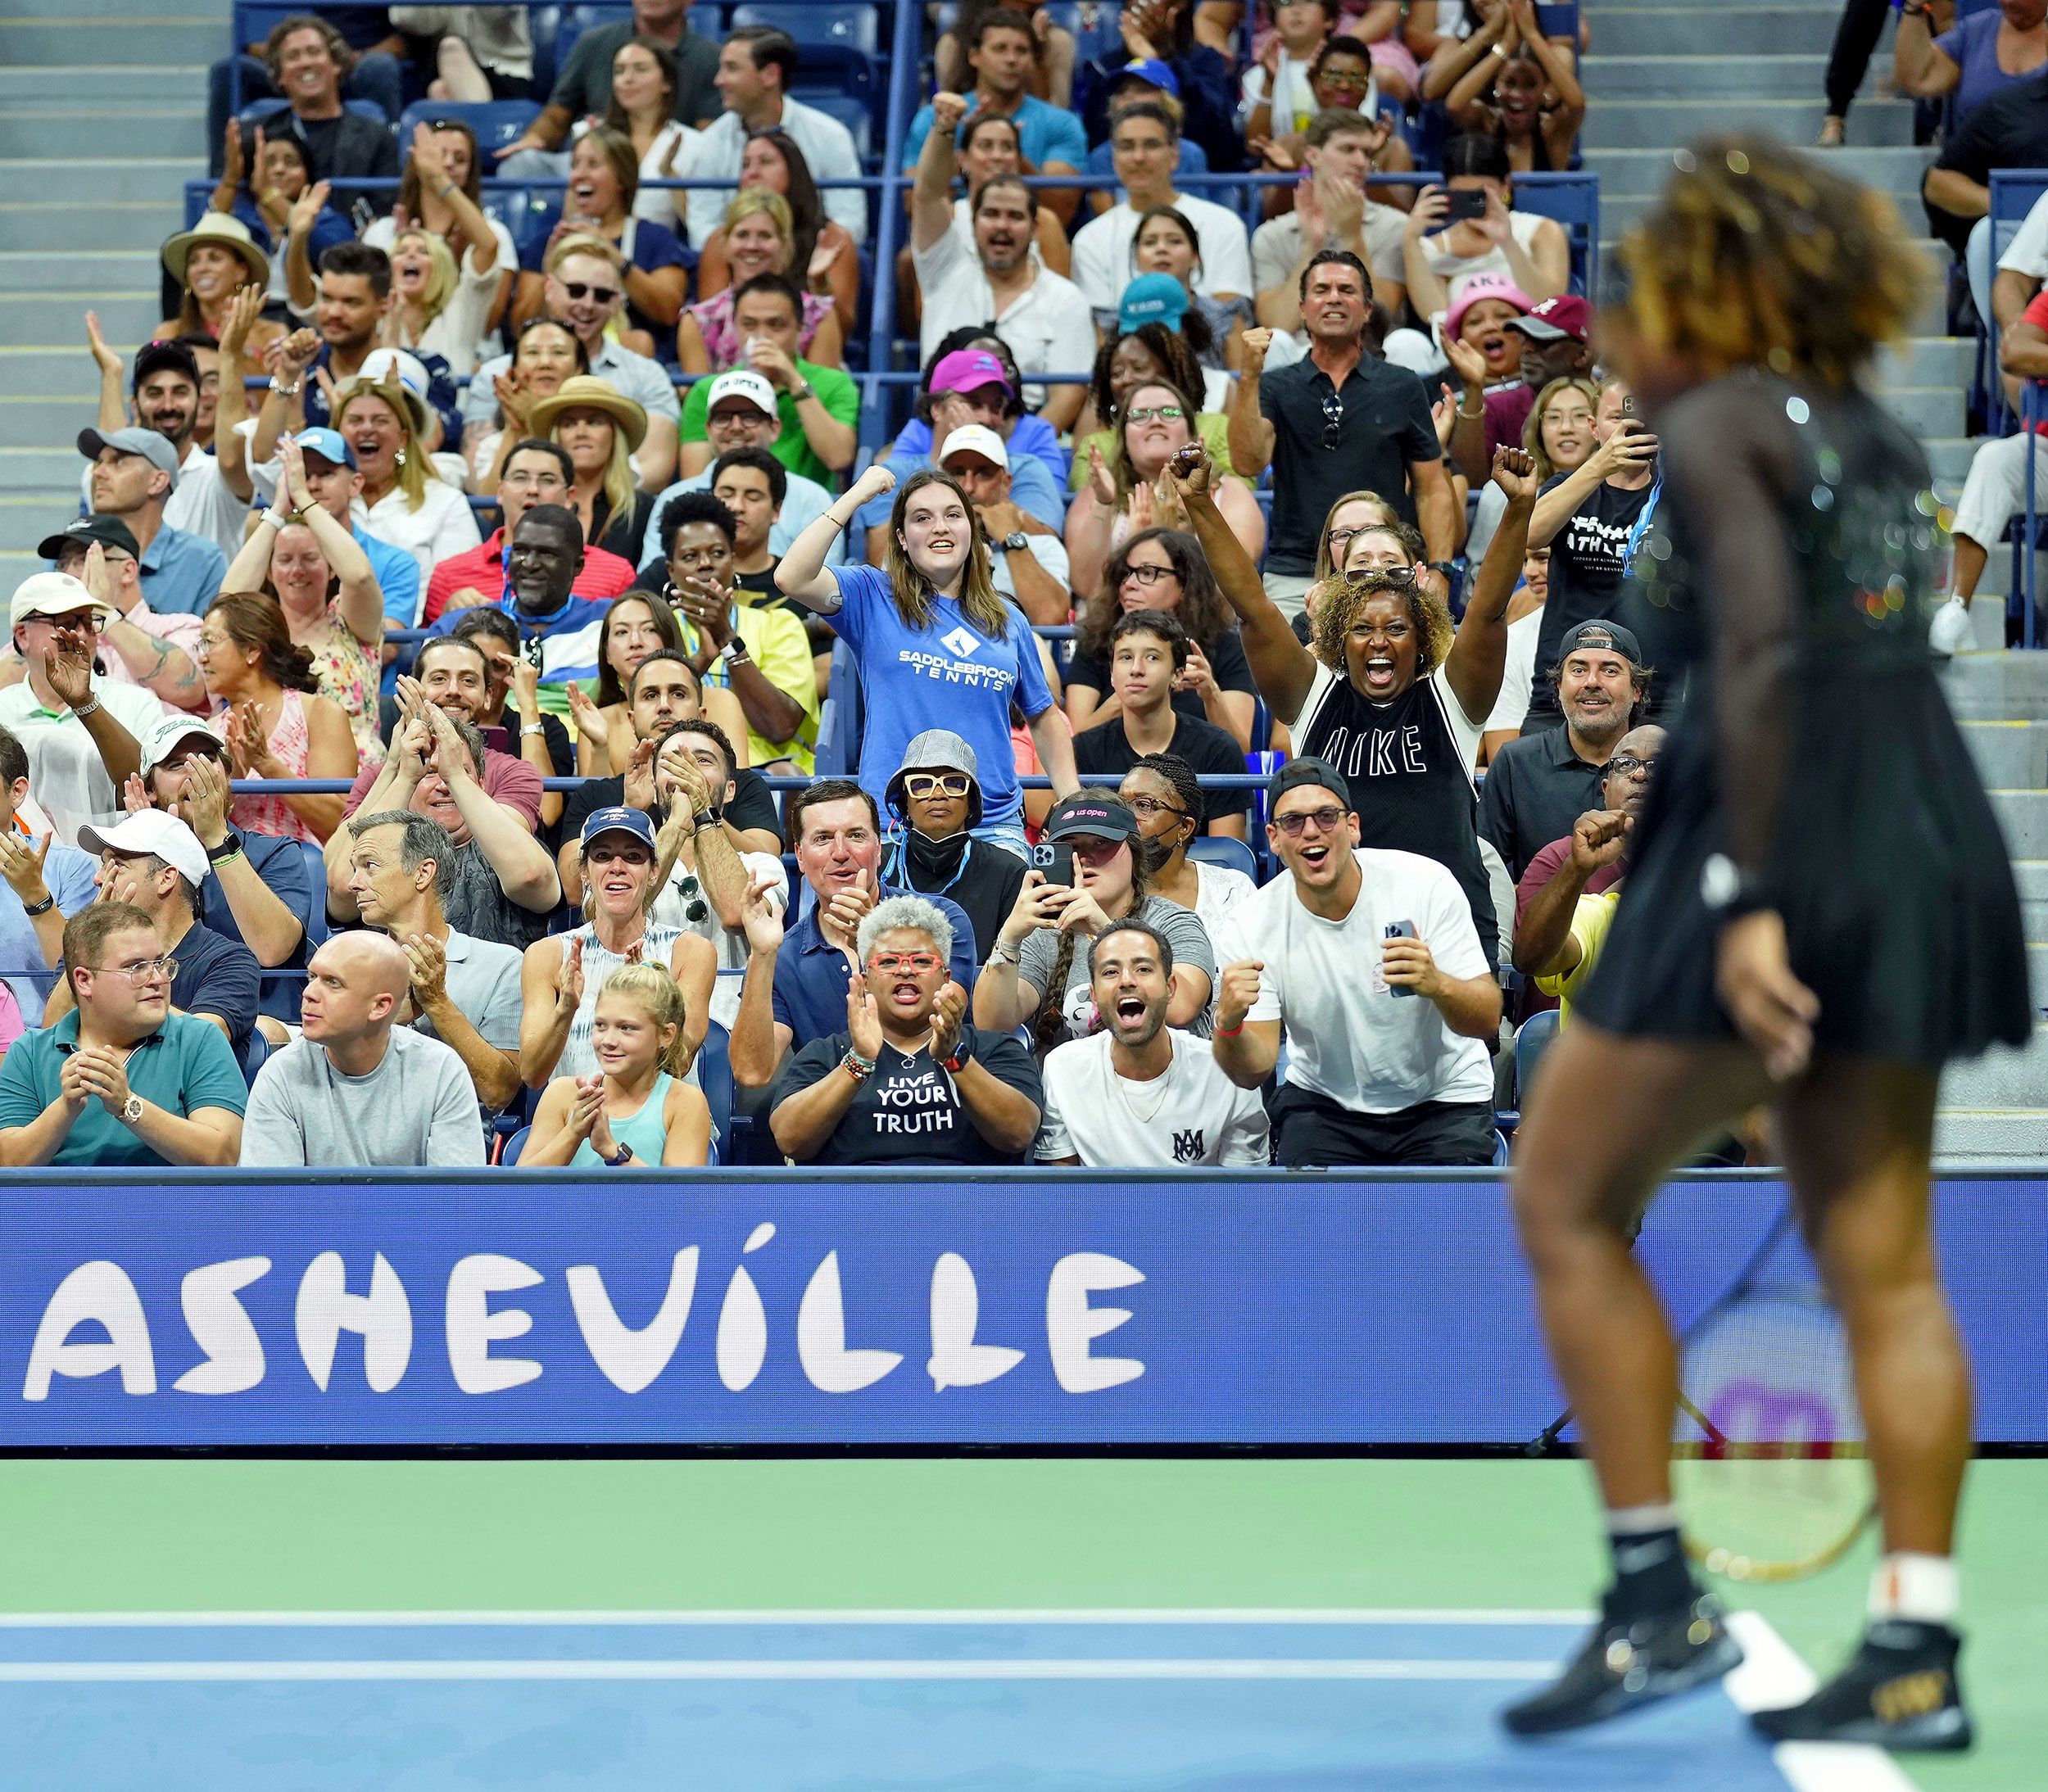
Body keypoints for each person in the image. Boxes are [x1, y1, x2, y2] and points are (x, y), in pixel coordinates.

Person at [1502, 136, 2031, 1750]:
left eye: (1640, 287)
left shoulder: (1720, 423)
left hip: (1771, 816)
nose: (1612, 322)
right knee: (1884, 1262)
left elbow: (1746, 644)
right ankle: (1917, 1645)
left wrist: (1741, 898)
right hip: (1920, 825)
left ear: (1707, 300)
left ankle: (1654, 1594)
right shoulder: (1869, 435)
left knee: (1563, 1195)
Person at [1182, 441, 1538, 953]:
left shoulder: (1452, 697)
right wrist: (1199, 505)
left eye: (1395, 628)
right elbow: (1254, 610)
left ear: (1421, 638)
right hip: (1337, 930)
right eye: (1360, 629)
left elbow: (1487, 612)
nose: (1377, 642)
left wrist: (1520, 507)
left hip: (1446, 929)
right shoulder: (1312, 697)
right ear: (1335, 639)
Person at [777, 466, 1081, 858]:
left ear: (971, 531)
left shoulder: (1008, 620)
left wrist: (1071, 797)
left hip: (993, 826)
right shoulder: (872, 596)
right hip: (895, 827)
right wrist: (856, 496)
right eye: (922, 518)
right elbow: (792, 577)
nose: (940, 527)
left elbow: (1043, 715)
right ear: (901, 538)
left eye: (953, 515)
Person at [1211, 758, 1499, 1165]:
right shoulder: (1250, 924)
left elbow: (1486, 1019)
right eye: (1293, 821)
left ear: (1353, 827)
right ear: (1273, 839)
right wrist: (1228, 1025)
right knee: (1312, 1227)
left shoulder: (1425, 884)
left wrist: (1439, 984)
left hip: (1443, 1099)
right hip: (1325, 1104)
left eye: (1326, 816)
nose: (1311, 830)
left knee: (1442, 1228)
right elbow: (1252, 1069)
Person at [1230, 255, 1457, 613]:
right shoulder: (1274, 385)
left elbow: (1431, 489)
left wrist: (1440, 570)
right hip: (1294, 575)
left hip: (1386, 571)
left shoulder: (1402, 385)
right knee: (1288, 670)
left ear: (1367, 310)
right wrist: (1248, 378)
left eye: (1346, 290)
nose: (1334, 297)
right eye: (1322, 290)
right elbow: (1246, 461)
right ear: (1303, 309)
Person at [728, 780, 978, 1087]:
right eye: (822, 839)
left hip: (935, 1102)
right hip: (837, 1118)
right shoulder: (783, 957)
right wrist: (762, 956)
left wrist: (872, 939)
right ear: (800, 857)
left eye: (856, 836)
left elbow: (946, 1017)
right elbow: (752, 1072)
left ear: (878, 851)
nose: (840, 853)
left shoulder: (940, 919)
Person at [768, 895, 1044, 1165]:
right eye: (888, 962)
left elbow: (1019, 1133)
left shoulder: (992, 1048)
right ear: (865, 982)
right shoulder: (827, 1054)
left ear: (945, 978)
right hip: (855, 1205)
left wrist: (955, 1058)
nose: (905, 971)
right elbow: (791, 1140)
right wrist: (857, 1062)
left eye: (922, 962)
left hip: (968, 1204)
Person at [0, 901, 245, 1168]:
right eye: (136, 967)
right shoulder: (29, 1052)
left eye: (161, 963)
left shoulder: (199, 1039)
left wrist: (127, 1105)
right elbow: (9, 1165)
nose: (157, 978)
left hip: (170, 1207)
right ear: (84, 981)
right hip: (61, 1208)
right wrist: (65, 1108)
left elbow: (222, 1156)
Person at [911, 91, 1098, 429]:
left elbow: (1069, 395)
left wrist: (1015, 447)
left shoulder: (1065, 298)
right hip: (935, 432)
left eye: (1014, 216)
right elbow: (928, 193)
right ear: (971, 220)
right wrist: (944, 129)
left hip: (1024, 435)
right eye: (991, 214)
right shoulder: (943, 269)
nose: (1001, 225)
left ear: (1035, 227)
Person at [975, 791, 1216, 1051]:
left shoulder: (1173, 922)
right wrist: (1009, 938)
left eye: (1103, 843)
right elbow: (992, 1024)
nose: (1086, 857)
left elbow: (1181, 1010)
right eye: (1071, 846)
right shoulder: (1045, 932)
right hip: (1072, 1088)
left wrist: (1106, 931)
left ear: (1134, 851)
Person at [328, 702, 560, 952]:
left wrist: (456, 778)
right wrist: (403, 775)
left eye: (459, 770)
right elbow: (343, 886)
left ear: (481, 784)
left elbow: (531, 876)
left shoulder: (508, 850)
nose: (443, 785)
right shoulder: (384, 854)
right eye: (430, 773)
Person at [1036, 917, 1269, 1167]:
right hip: (1099, 1207)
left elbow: (1245, 1196)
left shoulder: (1225, 1072)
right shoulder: (1063, 1069)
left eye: (1143, 969)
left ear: (1170, 988)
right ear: (1093, 995)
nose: (1126, 980)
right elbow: (1062, 1192)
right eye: (1110, 972)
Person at [336, 808, 524, 1114]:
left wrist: (437, 1003)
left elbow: (498, 1091)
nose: (354, 884)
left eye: (369, 866)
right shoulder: (348, 962)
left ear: (423, 873)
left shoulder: (501, 966)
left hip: (454, 1140)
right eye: (354, 869)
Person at [519, 804, 714, 1088]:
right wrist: (565, 1010)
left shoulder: (691, 952)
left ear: (653, 873)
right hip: (577, 1120)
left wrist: (646, 1000)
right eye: (603, 856)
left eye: (633, 857)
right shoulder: (546, 956)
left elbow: (679, 1063)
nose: (617, 868)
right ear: (585, 872)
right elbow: (532, 1074)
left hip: (664, 1122)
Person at [460, 245, 682, 493]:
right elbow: (482, 493)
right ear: (550, 289)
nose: (588, 304)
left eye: (602, 295)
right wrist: (517, 428)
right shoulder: (495, 374)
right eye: (576, 291)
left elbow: (654, 470)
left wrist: (535, 419)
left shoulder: (648, 374)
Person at [129, 716, 314, 1002]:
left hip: (263, 1026)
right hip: (161, 1025)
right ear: (150, 790)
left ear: (226, 777)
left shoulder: (276, 852)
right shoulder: (131, 858)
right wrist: (146, 853)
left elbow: (273, 948)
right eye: (177, 765)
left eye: (208, 758)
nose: (196, 771)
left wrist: (217, 838)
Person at [54, 810, 261, 1059]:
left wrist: (119, 991)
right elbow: (51, 1031)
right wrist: (89, 945)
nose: (99, 879)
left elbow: (203, 1039)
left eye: (117, 865)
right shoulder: (86, 949)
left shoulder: (230, 961)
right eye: (102, 865)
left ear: (166, 879)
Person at [1520, 378, 1663, 731]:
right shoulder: (1566, 487)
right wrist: (1600, 465)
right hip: (1563, 686)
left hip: (1652, 693)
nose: (1630, 427)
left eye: (1645, 416)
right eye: (1617, 417)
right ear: (1594, 427)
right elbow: (1531, 533)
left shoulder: (1676, 496)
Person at [646, 490, 819, 772]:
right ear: (671, 570)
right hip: (673, 761)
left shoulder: (779, 625)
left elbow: (780, 726)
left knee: (783, 775)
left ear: (733, 561)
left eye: (717, 553)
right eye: (690, 556)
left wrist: (727, 639)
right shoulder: (654, 631)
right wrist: (702, 659)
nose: (705, 564)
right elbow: (649, 719)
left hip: (764, 764)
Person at [556, 653, 784, 866]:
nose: (664, 705)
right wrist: (628, 813)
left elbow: (767, 864)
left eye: (678, 693)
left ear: (701, 714)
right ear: (632, 719)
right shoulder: (596, 794)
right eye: (651, 695)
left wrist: (705, 812)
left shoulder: (742, 784)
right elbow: (573, 887)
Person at [641, 717, 788, 1029]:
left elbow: (739, 914)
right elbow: (622, 913)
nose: (688, 771)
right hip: (643, 1027)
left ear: (730, 789)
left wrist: (703, 814)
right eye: (673, 762)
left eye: (702, 761)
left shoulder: (761, 864)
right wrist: (677, 827)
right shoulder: (621, 863)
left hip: (736, 1032)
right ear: (655, 790)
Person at [1480, 619, 1652, 883]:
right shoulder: (1516, 763)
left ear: (1637, 689)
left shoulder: (1670, 765)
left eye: (1610, 671)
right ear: (1559, 686)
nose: (1592, 682)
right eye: (1579, 670)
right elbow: (1484, 872)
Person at [1067, 378, 1266, 603]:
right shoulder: (1099, 492)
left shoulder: (1228, 491)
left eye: (1169, 412)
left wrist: (1181, 533)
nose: (1155, 421)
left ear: (1192, 433)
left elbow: (1237, 579)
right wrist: (1106, 507)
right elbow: (1085, 584)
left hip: (1207, 626)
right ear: (1124, 438)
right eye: (1140, 415)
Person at [1065, 527, 1260, 751]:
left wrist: (1210, 695)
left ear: (1186, 585)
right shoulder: (1095, 642)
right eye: (1125, 573)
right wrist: (1132, 694)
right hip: (1112, 778)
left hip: (1198, 776)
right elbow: (1074, 744)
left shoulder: (1226, 646)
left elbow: (1239, 750)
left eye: (1147, 573)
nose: (1129, 584)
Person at [1511, 724, 1665, 1007]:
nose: (1641, 774)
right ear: (1605, 790)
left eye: (1659, 766)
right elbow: (1530, 960)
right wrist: (1577, 869)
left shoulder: (1715, 885)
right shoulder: (1567, 867)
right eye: (1626, 764)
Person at [863, 345, 1072, 550]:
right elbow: (884, 556)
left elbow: (1046, 551)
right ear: (937, 408)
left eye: (996, 406)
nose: (987, 418)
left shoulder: (1027, 470)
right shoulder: (897, 475)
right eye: (974, 404)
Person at [1, 571, 160, 837]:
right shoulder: (3, 708)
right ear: (22, 635)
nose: (84, 635)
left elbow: (148, 788)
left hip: (117, 865)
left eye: (90, 622)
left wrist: (85, 703)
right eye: (67, 624)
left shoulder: (138, 703)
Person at [638, 371, 844, 575]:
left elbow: (823, 582)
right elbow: (654, 580)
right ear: (709, 429)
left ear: (774, 428)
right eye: (723, 418)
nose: (735, 427)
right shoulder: (674, 498)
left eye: (749, 417)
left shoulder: (812, 498)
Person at [684, 25, 868, 248]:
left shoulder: (830, 135)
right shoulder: (710, 143)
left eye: (731, 69)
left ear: (770, 75)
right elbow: (703, 231)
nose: (719, 80)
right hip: (738, 262)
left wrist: (792, 255)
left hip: (811, 260)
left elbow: (850, 225)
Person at [197, 594, 358, 846]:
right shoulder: (206, 732)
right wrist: (228, 788)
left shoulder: (318, 714)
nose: (202, 657)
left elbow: (340, 823)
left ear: (252, 650)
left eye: (210, 642)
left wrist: (267, 765)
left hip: (309, 872)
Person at [903, 9, 1089, 229]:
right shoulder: (936, 120)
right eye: (1000, 49)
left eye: (1021, 51)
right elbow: (915, 205)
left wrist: (1012, 154)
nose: (1011, 59)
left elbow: (1062, 212)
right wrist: (965, 144)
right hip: (952, 233)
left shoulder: (1063, 123)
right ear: (975, 56)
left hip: (1032, 236)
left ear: (1031, 60)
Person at [508, 128, 691, 348]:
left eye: (593, 165)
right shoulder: (547, 241)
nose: (579, 175)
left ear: (622, 179)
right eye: (575, 165)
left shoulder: (655, 238)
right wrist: (549, 269)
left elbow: (668, 311)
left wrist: (611, 254)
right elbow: (521, 327)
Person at [493, 0, 721, 175]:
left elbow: (708, 142)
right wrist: (535, 137)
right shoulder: (592, 43)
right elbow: (557, 113)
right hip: (590, 160)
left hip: (663, 165)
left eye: (640, 69)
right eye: (620, 70)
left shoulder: (709, 58)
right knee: (522, 165)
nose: (628, 79)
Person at [1072, 612, 1250, 836]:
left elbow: (1226, 858)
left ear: (1177, 675)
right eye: (1125, 657)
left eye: (1152, 657)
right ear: (1111, 674)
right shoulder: (1084, 749)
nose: (1136, 669)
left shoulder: (1218, 749)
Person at [428, 437, 638, 625]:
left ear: (569, 497)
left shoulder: (616, 573)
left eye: (547, 480)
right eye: (520, 478)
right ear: (500, 491)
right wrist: (450, 617)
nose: (532, 490)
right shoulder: (449, 575)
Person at [525, 962, 714, 1167]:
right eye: (601, 1025)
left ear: (666, 1035)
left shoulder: (685, 1102)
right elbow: (515, 1194)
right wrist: (573, 1133)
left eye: (626, 1028)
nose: (608, 1041)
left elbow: (680, 1198)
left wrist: (611, 1150)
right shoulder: (562, 1094)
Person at [1072, 102, 1253, 315]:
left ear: (1174, 155)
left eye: (1151, 145)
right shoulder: (1090, 239)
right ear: (1114, 159)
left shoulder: (1223, 224)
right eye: (1127, 146)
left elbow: (1230, 317)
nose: (1139, 157)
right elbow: (1101, 330)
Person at [428, 505, 614, 713]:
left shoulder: (610, 623)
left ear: (578, 565)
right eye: (521, 550)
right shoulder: (457, 627)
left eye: (547, 553)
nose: (530, 563)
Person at [676, 274, 858, 486]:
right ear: (734, 327)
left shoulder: (834, 383)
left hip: (807, 511)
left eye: (776, 325)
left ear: (800, 328)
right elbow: (694, 480)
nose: (762, 336)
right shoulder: (707, 390)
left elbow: (839, 457)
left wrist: (792, 379)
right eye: (749, 325)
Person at [351, 640, 550, 830]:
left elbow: (513, 844)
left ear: (488, 698)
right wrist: (396, 769)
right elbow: (342, 861)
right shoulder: (376, 776)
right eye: (439, 679)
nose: (453, 690)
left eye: (468, 681)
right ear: (415, 689)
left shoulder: (513, 772)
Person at [83, 333, 248, 559]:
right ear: (135, 405)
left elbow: (232, 460)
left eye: (180, 392)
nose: (168, 405)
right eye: (155, 393)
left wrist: (231, 356)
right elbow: (115, 451)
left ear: (199, 401)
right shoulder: (107, 476)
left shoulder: (216, 477)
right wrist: (112, 373)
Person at [361, 116, 517, 353]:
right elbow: (367, 309)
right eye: (438, 155)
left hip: (469, 355)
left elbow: (487, 323)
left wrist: (450, 265)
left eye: (460, 159)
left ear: (471, 170)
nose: (447, 163)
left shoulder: (491, 233)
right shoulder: (382, 233)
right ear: (416, 162)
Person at [1252, 108, 1411, 330]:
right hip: (1300, 353)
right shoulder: (1271, 235)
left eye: (1366, 153)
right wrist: (1310, 246)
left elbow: (1383, 314)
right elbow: (1277, 328)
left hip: (1373, 351)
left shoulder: (1395, 225)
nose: (1361, 162)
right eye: (1348, 149)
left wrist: (1353, 238)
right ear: (1313, 155)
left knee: (1410, 344)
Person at [695, 130, 861, 342]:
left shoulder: (831, 238)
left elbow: (842, 330)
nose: (752, 173)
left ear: (794, 171)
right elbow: (709, 329)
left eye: (765, 162)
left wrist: (819, 284)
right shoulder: (721, 239)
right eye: (745, 165)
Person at [879, 730, 1031, 962]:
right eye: (921, 784)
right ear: (904, 802)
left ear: (971, 801)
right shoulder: (876, 865)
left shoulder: (1009, 872)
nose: (938, 794)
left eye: (954, 783)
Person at [32, 517, 206, 714]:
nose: (68, 573)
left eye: (84, 560)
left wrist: (103, 611)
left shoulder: (181, 628)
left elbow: (187, 689)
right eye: (62, 564)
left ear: (128, 571)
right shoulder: (50, 632)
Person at [207, 11, 405, 179]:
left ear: (336, 64)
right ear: (280, 75)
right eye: (293, 56)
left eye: (314, 52)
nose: (305, 63)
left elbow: (386, 212)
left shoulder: (378, 139)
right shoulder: (250, 138)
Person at [329, 369, 482, 584]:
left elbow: (461, 585)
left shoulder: (445, 502)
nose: (366, 428)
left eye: (380, 421)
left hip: (423, 618)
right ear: (337, 437)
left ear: (403, 439)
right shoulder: (317, 500)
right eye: (355, 421)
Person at [1401, 133, 1570, 324]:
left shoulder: (1543, 231)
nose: (1474, 205)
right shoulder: (1434, 249)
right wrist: (1411, 241)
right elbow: (1436, 318)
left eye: (1481, 195)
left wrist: (1507, 242)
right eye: (1462, 195)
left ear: (1505, 186)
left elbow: (1550, 307)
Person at [71, 426, 228, 620]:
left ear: (158, 481)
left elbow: (207, 648)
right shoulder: (69, 551)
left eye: (118, 462)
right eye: (99, 462)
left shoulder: (203, 561)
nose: (98, 473)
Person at [680, 190, 844, 374]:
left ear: (784, 246)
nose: (752, 246)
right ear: (725, 246)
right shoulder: (698, 321)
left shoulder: (819, 315)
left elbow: (824, 396)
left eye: (765, 236)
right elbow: (698, 399)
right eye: (742, 235)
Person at [0, 723, 98, 1024]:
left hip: (39, 1050)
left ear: (17, 791)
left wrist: (35, 896)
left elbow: (78, 977)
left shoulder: (70, 868)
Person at [1446, 292, 1595, 484]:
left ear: (1583, 355)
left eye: (1543, 341)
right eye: (1524, 339)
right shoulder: (1498, 407)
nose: (1527, 349)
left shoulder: (1614, 404)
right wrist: (1474, 388)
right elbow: (1470, 488)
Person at [937, 427, 1075, 627]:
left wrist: (1010, 539)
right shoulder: (916, 544)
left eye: (983, 473)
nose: (968, 487)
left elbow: (1050, 617)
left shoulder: (1043, 546)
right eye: (957, 473)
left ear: (1006, 483)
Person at [1463, 365, 1597, 568]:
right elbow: (1476, 578)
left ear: (1598, 426)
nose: (1566, 429)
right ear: (1539, 430)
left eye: (1580, 416)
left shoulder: (1624, 494)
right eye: (1553, 417)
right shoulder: (1501, 495)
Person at [1118, 749, 1255, 937]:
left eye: (1143, 805)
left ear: (1184, 826)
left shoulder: (1233, 890)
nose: (1127, 817)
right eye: (1120, 804)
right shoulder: (1105, 891)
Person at [1438, 2, 1585, 175]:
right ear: (1496, 85)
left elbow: (1577, 104)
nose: (1517, 94)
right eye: (1510, 83)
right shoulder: (1487, 122)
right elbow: (1454, 106)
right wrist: (1505, 47)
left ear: (1543, 91)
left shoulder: (1551, 132)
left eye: (1530, 85)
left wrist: (1532, 36)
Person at [1072, 322, 1233, 476]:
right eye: (1117, 373)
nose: (1126, 379)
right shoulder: (1095, 447)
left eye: (1139, 368)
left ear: (1171, 375)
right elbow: (1086, 499)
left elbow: (1237, 488)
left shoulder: (1216, 427)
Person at [528, 374, 656, 567]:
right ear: (558, 436)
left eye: (594, 422)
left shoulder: (643, 509)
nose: (581, 433)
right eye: (569, 424)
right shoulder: (530, 501)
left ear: (614, 435)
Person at [1894, 0, 2046, 132]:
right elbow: (1920, 78)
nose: (2009, 2)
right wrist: (1913, 8)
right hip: (1972, 162)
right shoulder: (1976, 32)